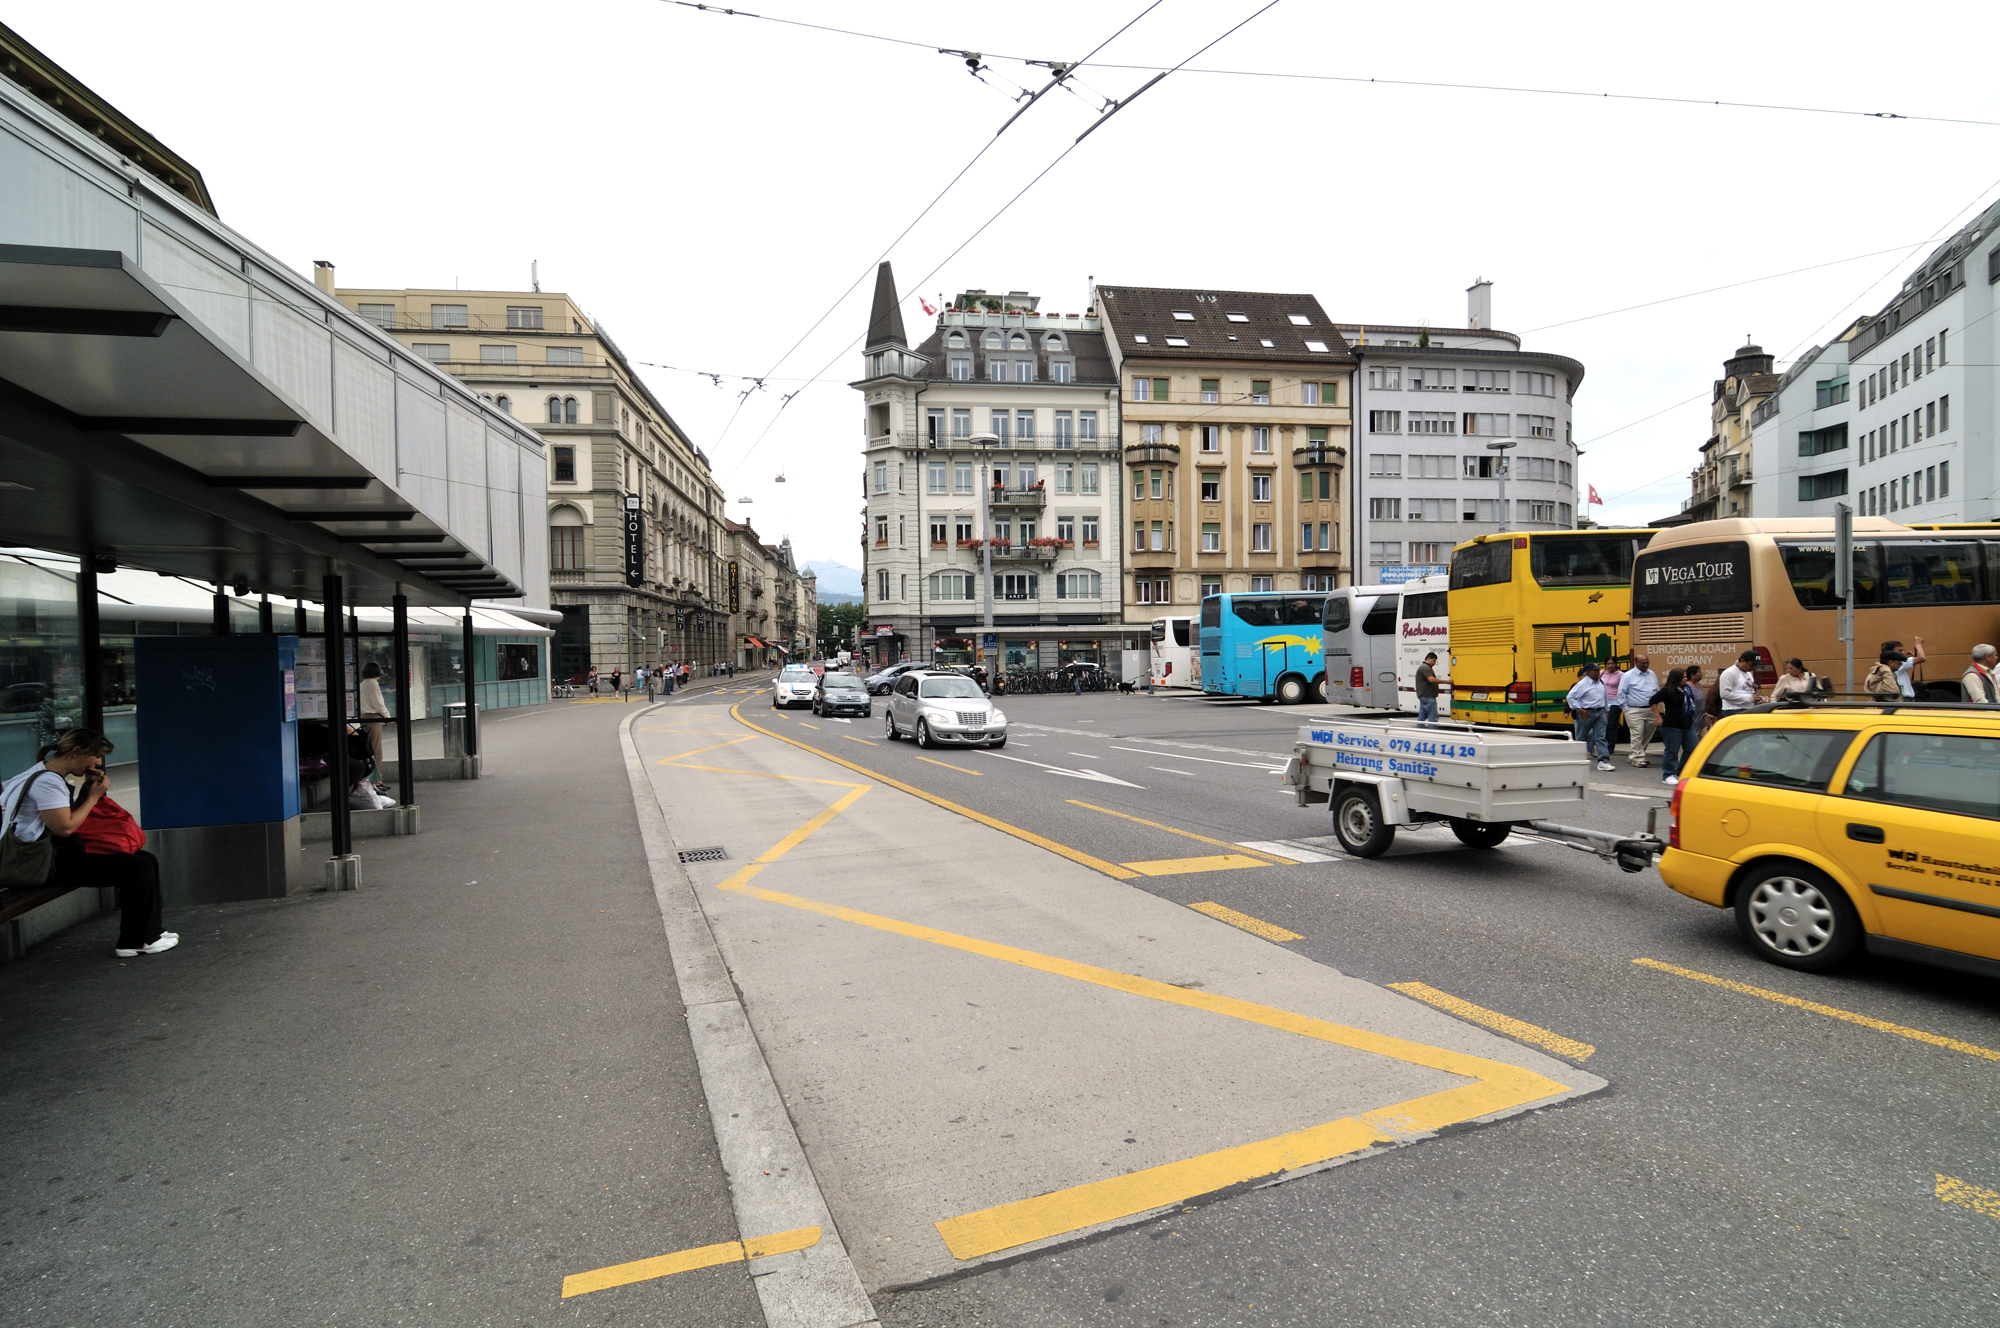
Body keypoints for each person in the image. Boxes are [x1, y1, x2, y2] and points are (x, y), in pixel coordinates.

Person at [4, 729, 176, 957]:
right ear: (76, 752)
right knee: (137, 868)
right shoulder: (47, 782)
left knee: (145, 859)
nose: (98, 763)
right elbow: (64, 828)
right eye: (96, 755)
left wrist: (86, 795)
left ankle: (151, 932)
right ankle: (133, 942)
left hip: (41, 857)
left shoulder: (38, 773)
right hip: (38, 865)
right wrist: (93, 798)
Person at [1653, 667, 1697, 786]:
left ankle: (1679, 772)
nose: (1685, 679)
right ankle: (1668, 774)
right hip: (1672, 725)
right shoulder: (1667, 690)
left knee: (1692, 748)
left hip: (1687, 724)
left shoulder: (1687, 689)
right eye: (1683, 677)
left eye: (1686, 676)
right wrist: (1658, 717)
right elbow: (1652, 701)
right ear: (1676, 678)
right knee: (1672, 751)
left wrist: (1691, 715)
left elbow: (1690, 703)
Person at [1565, 663, 1612, 771]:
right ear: (1589, 672)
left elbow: (1605, 696)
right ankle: (1577, 759)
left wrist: (1606, 710)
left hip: (1600, 711)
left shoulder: (1601, 682)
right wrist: (1579, 709)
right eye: (1595, 670)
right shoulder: (1582, 684)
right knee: (1581, 736)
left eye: (1598, 670)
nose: (1598, 672)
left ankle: (1603, 761)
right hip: (1587, 712)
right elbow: (1570, 697)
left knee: (1601, 737)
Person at [1620, 653, 1660, 767]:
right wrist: (1626, 709)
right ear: (1636, 663)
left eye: (1647, 663)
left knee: (1647, 734)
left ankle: (1635, 754)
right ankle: (1638, 758)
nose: (1646, 665)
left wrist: (1657, 705)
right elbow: (1621, 693)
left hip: (1650, 709)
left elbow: (1656, 690)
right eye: (1643, 663)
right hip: (1634, 709)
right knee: (1637, 734)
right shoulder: (1628, 676)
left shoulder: (1651, 674)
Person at [357, 661, 390, 776]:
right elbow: (378, 703)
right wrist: (387, 716)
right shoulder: (373, 684)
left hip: (363, 717)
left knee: (368, 748)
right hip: (373, 717)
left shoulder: (362, 684)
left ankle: (370, 776)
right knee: (376, 748)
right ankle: (377, 777)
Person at [1600, 658, 1624, 757]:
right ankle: (1603, 745)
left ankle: (1610, 746)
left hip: (1615, 702)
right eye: (1608, 664)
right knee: (1603, 724)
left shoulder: (1621, 675)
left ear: (1616, 664)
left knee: (1612, 724)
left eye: (1612, 663)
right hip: (1603, 701)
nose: (1610, 666)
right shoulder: (1601, 673)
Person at [1414, 651, 1441, 726]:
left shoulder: (1424, 667)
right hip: (1428, 696)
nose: (1434, 663)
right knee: (1433, 717)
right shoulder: (1425, 667)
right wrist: (1446, 682)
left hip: (1424, 696)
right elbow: (1431, 679)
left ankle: (1419, 730)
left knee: (1422, 716)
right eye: (1434, 660)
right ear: (1429, 658)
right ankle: (1432, 731)